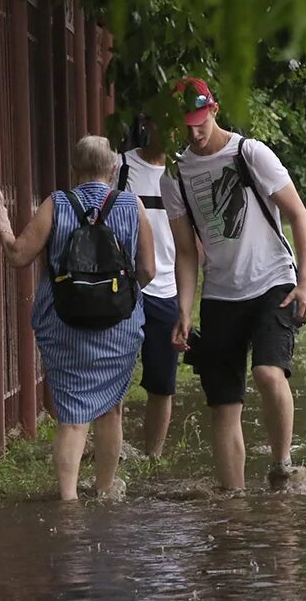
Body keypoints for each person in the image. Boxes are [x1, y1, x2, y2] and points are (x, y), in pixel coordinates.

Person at [160, 77, 306, 489]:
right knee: (223, 402)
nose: (194, 133)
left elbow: (300, 216)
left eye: (200, 121)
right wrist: (183, 309)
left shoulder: (250, 153)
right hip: (220, 295)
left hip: (273, 282)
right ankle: (233, 500)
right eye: (186, 125)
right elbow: (186, 251)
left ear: (213, 109)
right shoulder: (175, 176)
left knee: (268, 373)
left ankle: (282, 466)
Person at [0, 135, 156, 500]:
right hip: (119, 328)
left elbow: (18, 255)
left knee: (72, 415)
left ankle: (68, 500)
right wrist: (116, 297)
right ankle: (105, 491)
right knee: (111, 409)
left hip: (63, 325)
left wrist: (2, 222)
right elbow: (147, 270)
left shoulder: (57, 203)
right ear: (113, 170)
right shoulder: (132, 206)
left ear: (75, 170)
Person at [117, 115, 179, 457]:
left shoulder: (184, 172)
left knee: (162, 383)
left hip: (167, 290)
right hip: (125, 287)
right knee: (115, 378)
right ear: (149, 125)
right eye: (164, 123)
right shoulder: (122, 167)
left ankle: (152, 457)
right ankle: (116, 449)